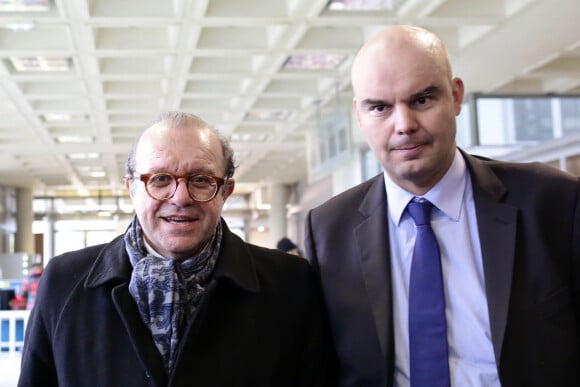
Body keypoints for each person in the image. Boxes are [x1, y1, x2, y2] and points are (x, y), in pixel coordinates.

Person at [304, 25, 580, 387]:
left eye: (421, 100)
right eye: (380, 107)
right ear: (359, 115)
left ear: (456, 96)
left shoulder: (553, 201)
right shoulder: (328, 229)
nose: (404, 125)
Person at [19, 111, 336, 387]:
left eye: (200, 179)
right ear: (132, 189)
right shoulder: (64, 282)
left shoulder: (290, 283)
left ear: (225, 191)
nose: (180, 197)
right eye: (160, 179)